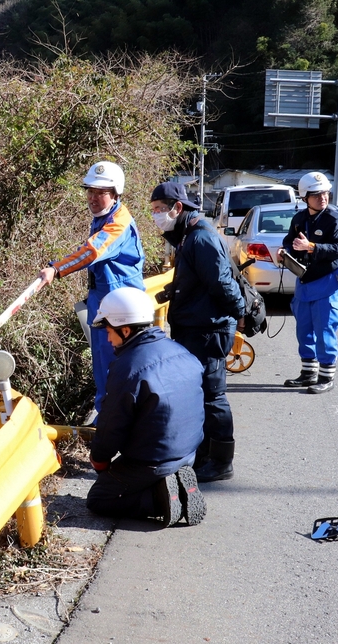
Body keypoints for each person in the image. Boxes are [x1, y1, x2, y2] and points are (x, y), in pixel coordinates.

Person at [85, 287, 206, 527]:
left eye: (110, 332)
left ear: (126, 330)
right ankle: (172, 481)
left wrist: (100, 460)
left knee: (98, 498)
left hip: (151, 460)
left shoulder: (127, 368)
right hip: (189, 452)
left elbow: (112, 424)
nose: (108, 339)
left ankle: (160, 499)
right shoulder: (182, 352)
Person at [37, 161, 145, 422]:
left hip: (121, 303)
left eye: (101, 192)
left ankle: (114, 420)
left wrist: (56, 268)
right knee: (101, 361)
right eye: (90, 191)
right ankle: (104, 415)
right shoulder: (102, 217)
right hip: (103, 299)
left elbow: (92, 251)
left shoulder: (117, 223)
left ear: (115, 193)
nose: (94, 198)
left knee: (115, 363)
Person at [151, 182, 244, 483]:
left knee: (213, 395)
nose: (156, 216)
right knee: (201, 394)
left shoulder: (200, 237)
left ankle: (221, 462)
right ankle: (205, 454)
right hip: (196, 327)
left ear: (178, 208)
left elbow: (221, 283)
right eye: (153, 211)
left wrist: (240, 313)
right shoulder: (188, 236)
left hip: (209, 329)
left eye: (159, 210)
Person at [279, 172, 338, 394]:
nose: (323, 198)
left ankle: (326, 376)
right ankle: (308, 373)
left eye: (326, 193)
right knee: (304, 329)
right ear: (305, 197)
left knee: (325, 329)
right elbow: (289, 241)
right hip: (304, 282)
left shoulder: (334, 219)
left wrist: (312, 247)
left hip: (326, 282)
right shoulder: (299, 219)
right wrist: (285, 251)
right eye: (317, 194)